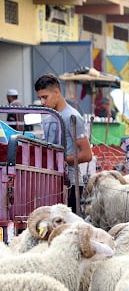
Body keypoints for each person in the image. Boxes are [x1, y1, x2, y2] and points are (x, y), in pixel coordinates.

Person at [34, 73, 93, 211]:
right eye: (40, 98)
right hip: (50, 182)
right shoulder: (48, 118)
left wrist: (61, 160)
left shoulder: (72, 116)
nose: (42, 102)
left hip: (70, 184)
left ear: (56, 92)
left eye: (45, 97)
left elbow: (86, 154)